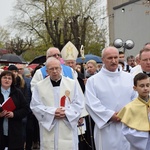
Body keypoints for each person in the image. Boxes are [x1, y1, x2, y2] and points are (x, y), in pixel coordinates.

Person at [85, 46, 137, 150]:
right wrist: (110, 116)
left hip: (127, 125)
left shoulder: (129, 78)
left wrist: (126, 114)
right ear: (103, 59)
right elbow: (91, 103)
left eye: (116, 57)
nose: (113, 61)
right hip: (106, 128)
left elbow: (135, 99)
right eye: (109, 58)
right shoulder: (94, 81)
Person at [30, 57, 84, 150]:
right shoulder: (39, 86)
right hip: (49, 127)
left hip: (67, 124)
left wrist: (65, 112)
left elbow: (79, 103)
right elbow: (35, 106)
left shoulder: (72, 84)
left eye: (57, 68)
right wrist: (53, 112)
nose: (55, 71)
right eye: (51, 69)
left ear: (61, 69)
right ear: (47, 71)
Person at [117, 73, 150, 150]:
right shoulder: (130, 108)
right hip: (142, 145)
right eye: (142, 86)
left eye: (148, 85)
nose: (145, 88)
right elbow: (127, 132)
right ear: (135, 88)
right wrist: (146, 133)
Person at [0, 70, 29, 150]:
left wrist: (14, 114)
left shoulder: (17, 93)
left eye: (9, 78)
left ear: (12, 81)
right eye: (4, 78)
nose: (7, 80)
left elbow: (26, 109)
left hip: (14, 129)